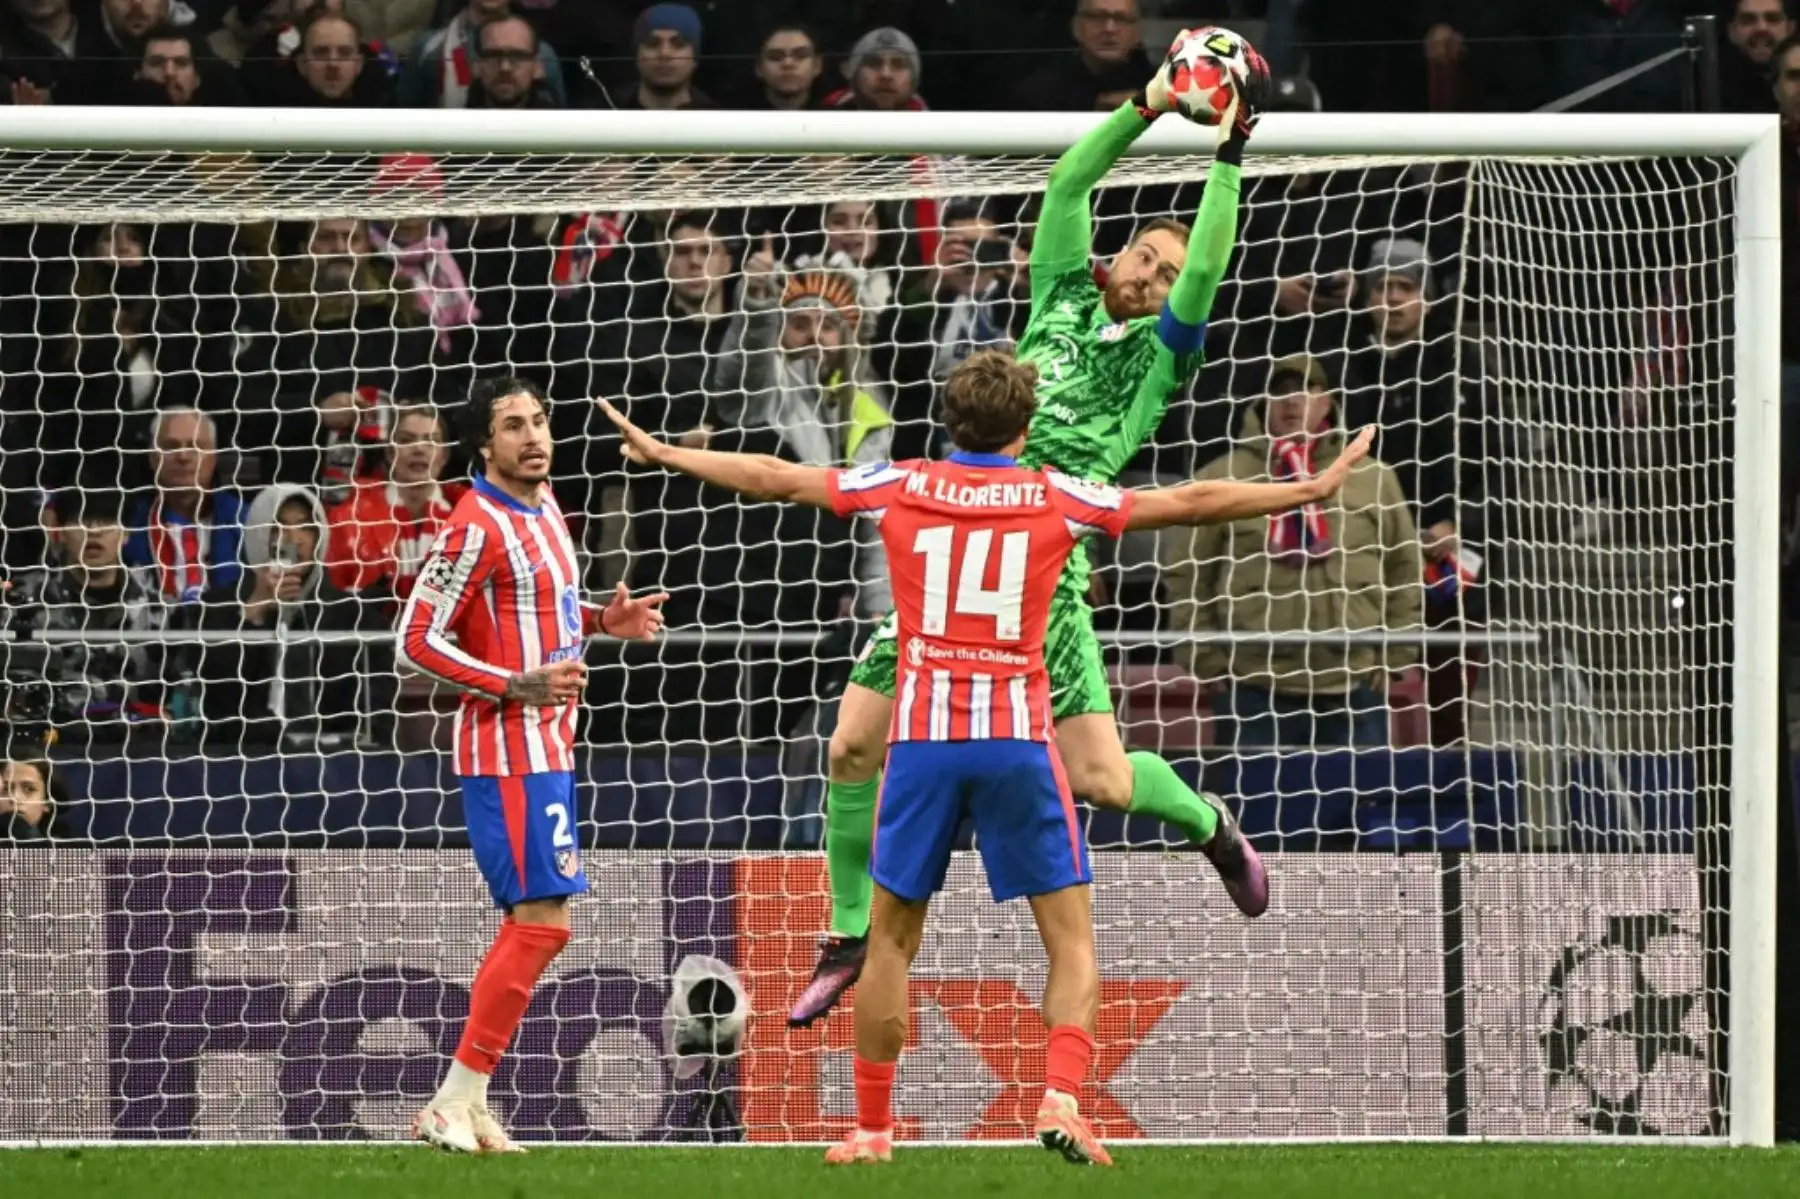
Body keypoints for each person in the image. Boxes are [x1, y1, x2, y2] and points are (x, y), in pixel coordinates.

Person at [601, 351, 1372, 1166]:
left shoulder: (899, 481)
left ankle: (870, 1128)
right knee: (1071, 944)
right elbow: (1188, 499)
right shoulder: (1054, 493)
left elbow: (777, 476)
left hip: (925, 743)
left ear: (948, 420)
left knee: (891, 944)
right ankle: (1062, 1098)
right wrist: (1309, 489)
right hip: (1016, 740)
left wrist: (669, 453)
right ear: (1026, 428)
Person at [787, 32, 1274, 1029]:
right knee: (848, 746)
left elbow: (1210, 264)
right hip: (956, 538)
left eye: (1170, 271)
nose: (1154, 277)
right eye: (1147, 254)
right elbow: (1068, 180)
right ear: (1124, 250)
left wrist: (1227, 154)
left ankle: (1206, 823)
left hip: (1047, 565)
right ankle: (844, 930)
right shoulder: (1058, 292)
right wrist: (1146, 104)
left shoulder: (1156, 356)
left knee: (1099, 776)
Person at [398, 376, 667, 1154]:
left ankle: (470, 1100)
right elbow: (415, 639)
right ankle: (453, 1096)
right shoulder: (475, 522)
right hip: (507, 748)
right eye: (513, 425)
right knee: (543, 924)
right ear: (483, 445)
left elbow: (540, 610)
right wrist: (512, 683)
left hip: (550, 742)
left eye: (539, 420)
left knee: (539, 922)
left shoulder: (545, 505)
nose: (533, 436)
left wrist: (600, 621)